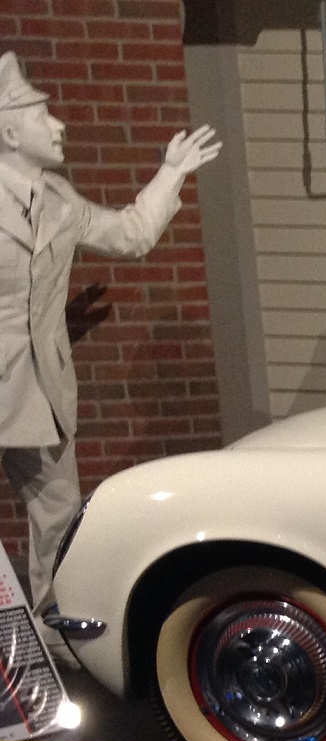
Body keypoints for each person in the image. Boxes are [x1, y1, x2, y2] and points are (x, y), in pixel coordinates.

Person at [0, 52, 219, 636]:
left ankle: (55, 635)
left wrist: (170, 173)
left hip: (42, 392)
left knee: (59, 520)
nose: (58, 126)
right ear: (10, 133)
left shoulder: (59, 199)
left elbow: (129, 235)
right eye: (42, 117)